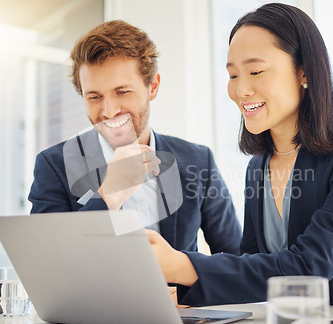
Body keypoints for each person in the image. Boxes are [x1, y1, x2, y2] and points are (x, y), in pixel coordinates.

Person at [147, 3, 333, 307]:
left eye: (256, 71)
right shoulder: (257, 167)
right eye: (233, 75)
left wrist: (185, 266)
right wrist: (186, 293)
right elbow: (252, 262)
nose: (241, 90)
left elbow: (308, 268)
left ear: (304, 73)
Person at [28, 20, 241, 255]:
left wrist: (190, 286)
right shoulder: (54, 166)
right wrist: (109, 194)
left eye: (122, 92)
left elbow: (234, 261)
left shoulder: (198, 161)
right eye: (94, 97)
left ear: (153, 87)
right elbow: (48, 261)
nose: (109, 111)